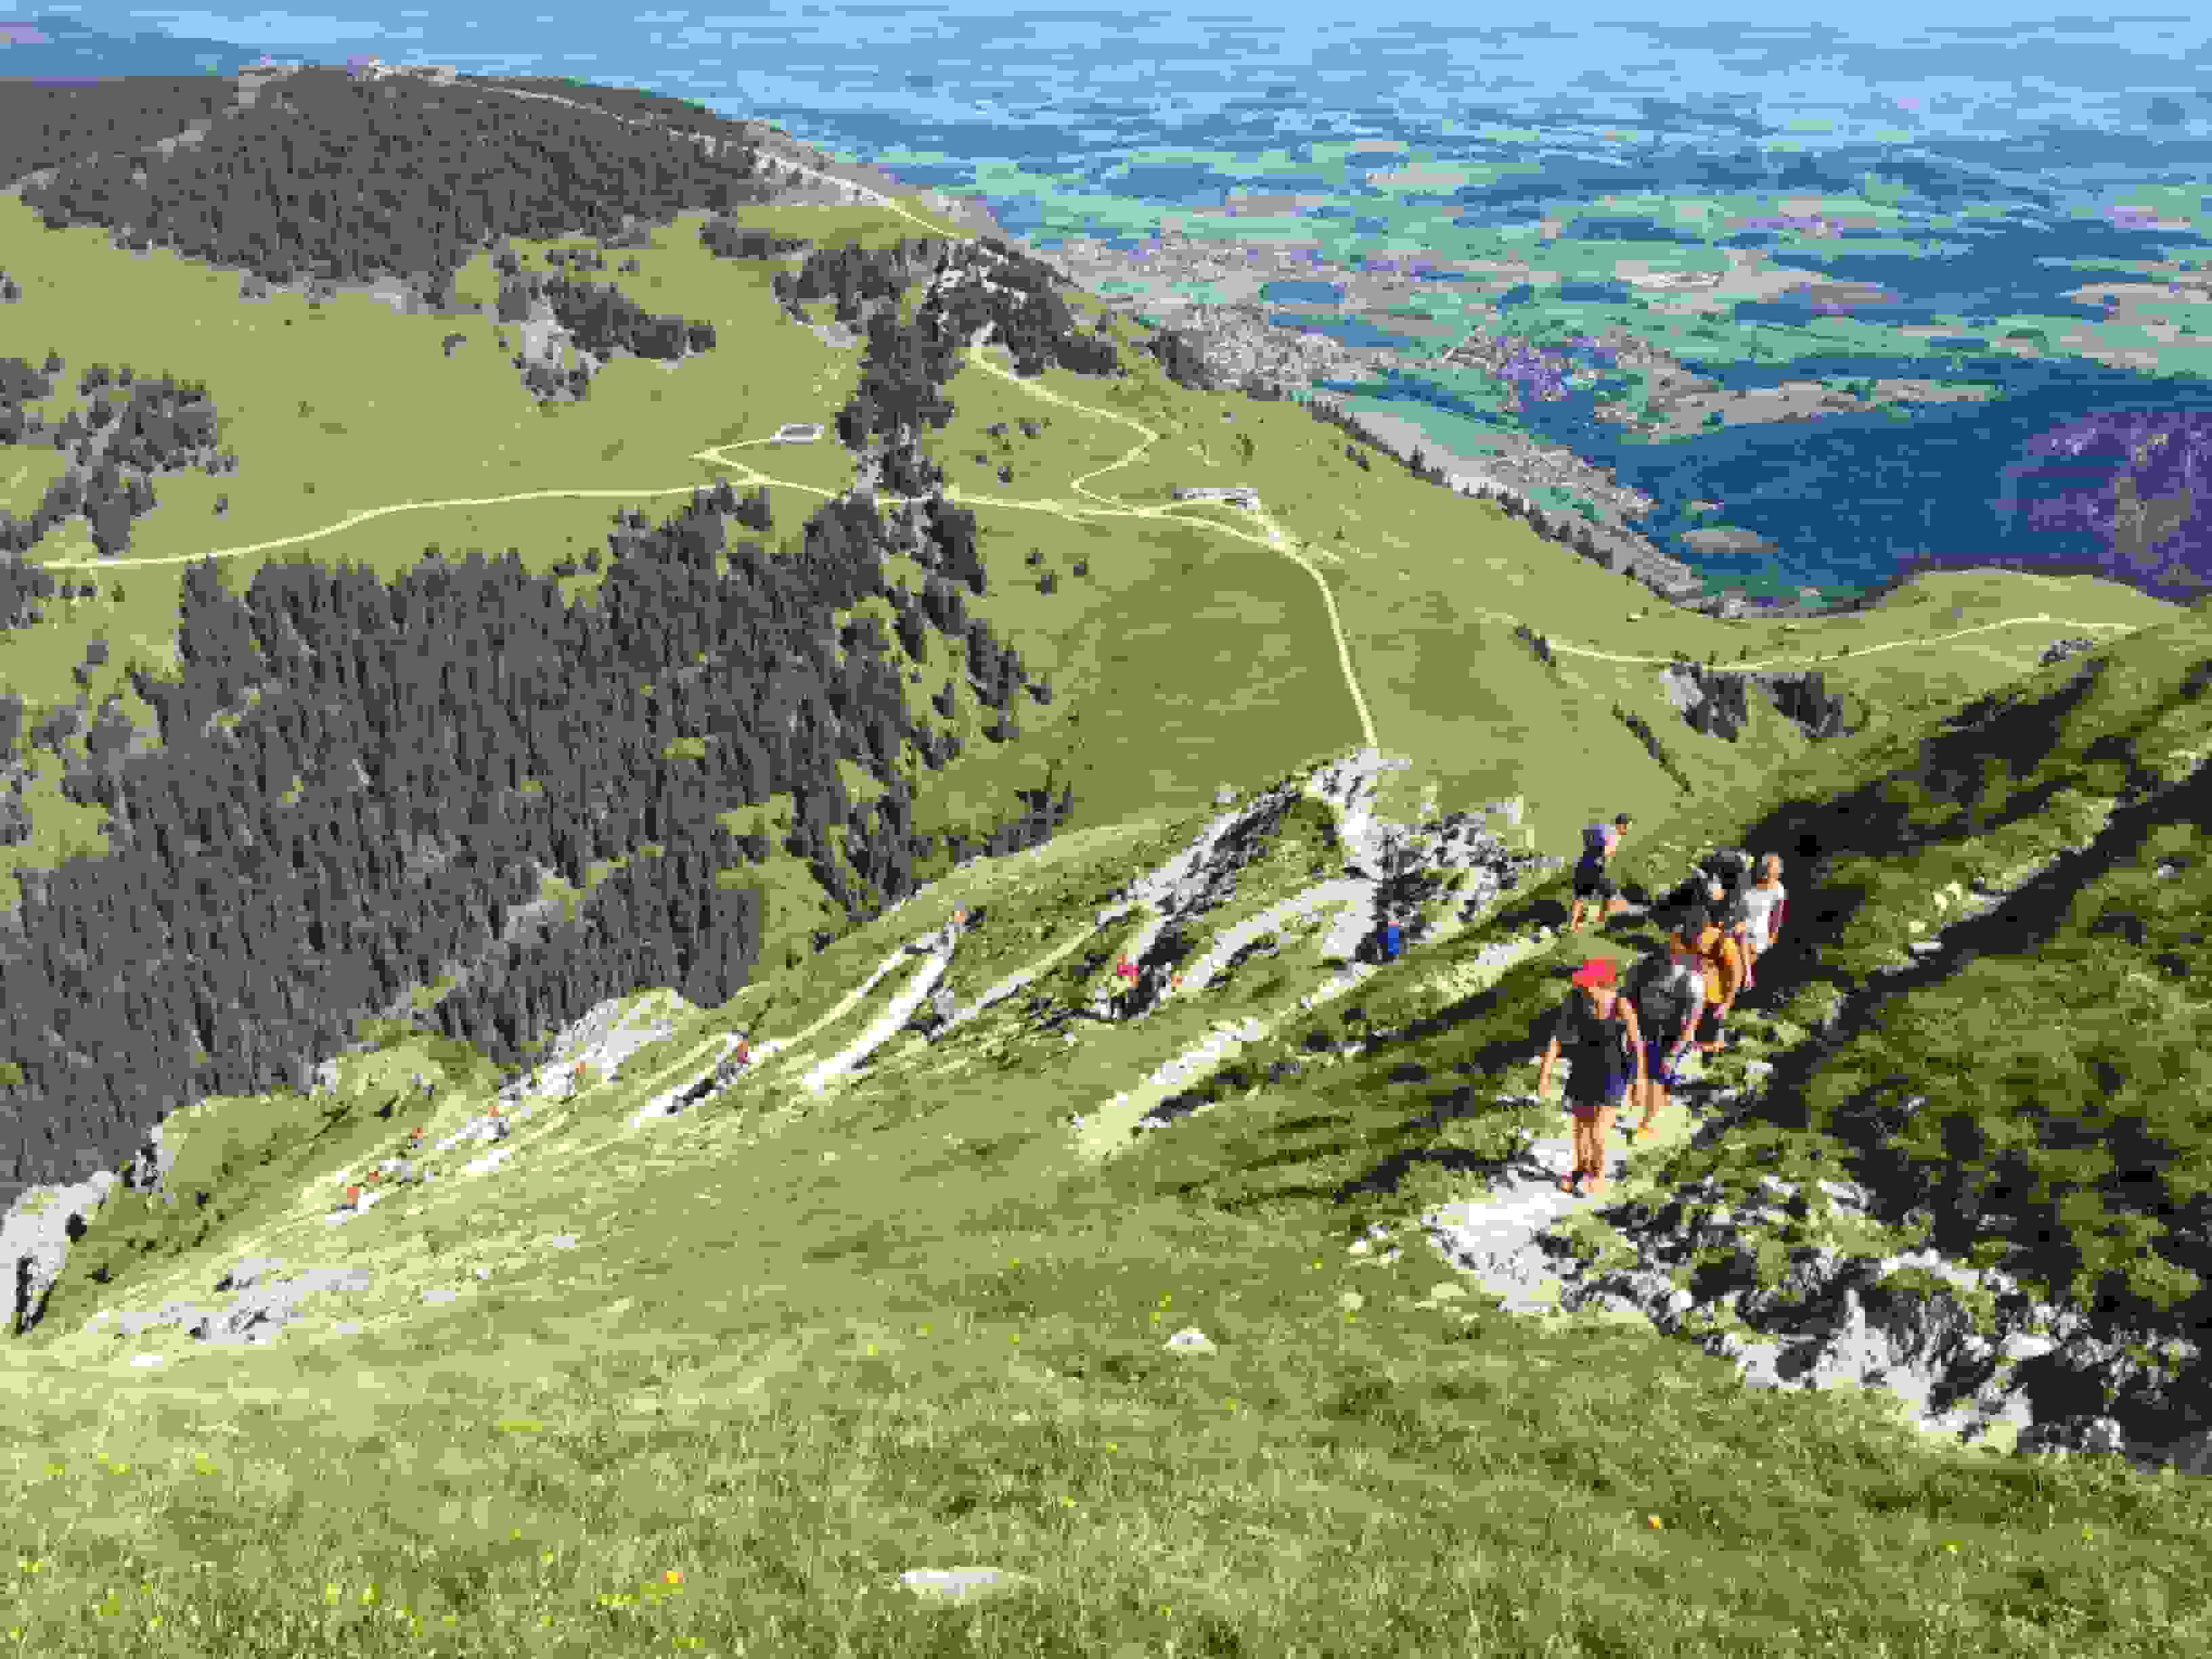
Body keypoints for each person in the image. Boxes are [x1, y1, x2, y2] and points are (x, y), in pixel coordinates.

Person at [1534, 956, 1645, 1197]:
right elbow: (1557, 1038)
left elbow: (1637, 1044)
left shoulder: (1621, 1004)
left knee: (1597, 1131)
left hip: (1614, 1071)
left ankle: (1598, 1174)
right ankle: (1580, 1168)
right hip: (1583, 1067)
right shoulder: (1575, 1000)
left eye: (1586, 982)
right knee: (1581, 1127)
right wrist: (1544, 1075)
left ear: (1600, 983)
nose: (1582, 986)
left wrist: (1639, 1081)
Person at [1620, 915, 1708, 1143]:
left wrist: (1673, 1053)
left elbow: (1691, 1024)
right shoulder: (1643, 965)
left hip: (1673, 1031)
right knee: (1636, 1068)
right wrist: (1627, 1028)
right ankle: (1634, 1106)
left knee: (1657, 1076)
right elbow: (1626, 998)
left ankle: (1646, 1124)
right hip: (1643, 1023)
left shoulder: (1693, 981)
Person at [1679, 905, 1746, 1053]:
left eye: (1697, 930)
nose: (1693, 935)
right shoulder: (1682, 937)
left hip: (1714, 998)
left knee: (1707, 1042)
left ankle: (1723, 1044)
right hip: (1688, 994)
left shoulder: (1722, 941)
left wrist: (1727, 1003)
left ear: (1706, 926)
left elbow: (1736, 973)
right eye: (1689, 928)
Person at [1568, 813, 1633, 932]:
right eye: (1628, 826)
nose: (1629, 829)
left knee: (1580, 897)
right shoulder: (1615, 835)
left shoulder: (1602, 828)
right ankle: (1605, 922)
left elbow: (1585, 831)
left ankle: (1573, 925)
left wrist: (1592, 848)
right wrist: (1606, 853)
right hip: (1595, 869)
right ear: (1621, 825)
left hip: (1583, 865)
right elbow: (1606, 852)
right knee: (1612, 894)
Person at [1737, 855, 1788, 991]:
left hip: (1757, 933)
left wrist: (1772, 937)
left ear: (1777, 872)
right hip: (1739, 924)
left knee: (1744, 937)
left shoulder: (1778, 890)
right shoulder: (1747, 883)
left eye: (1771, 872)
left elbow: (1777, 917)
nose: (1767, 874)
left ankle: (1747, 975)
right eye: (1765, 870)